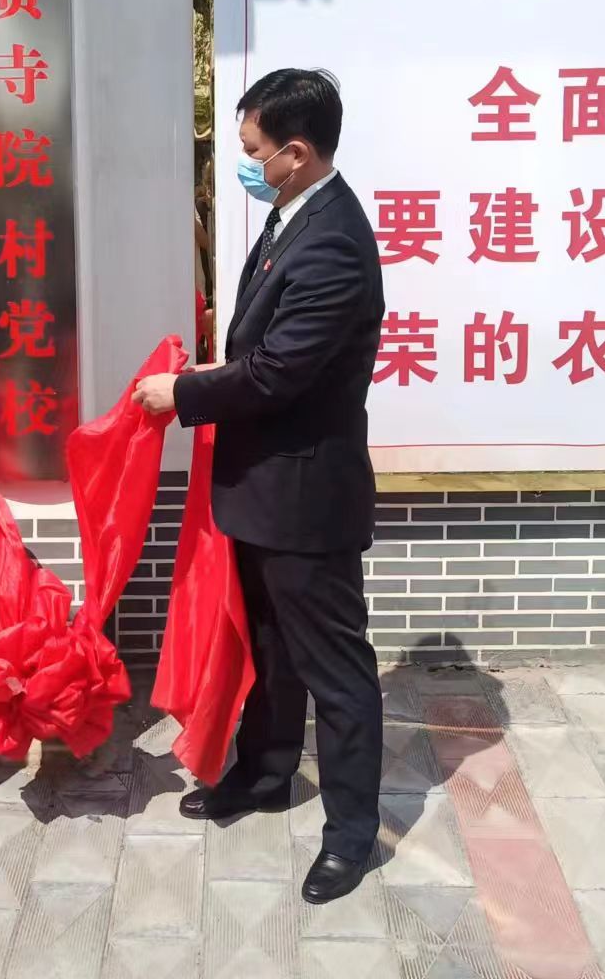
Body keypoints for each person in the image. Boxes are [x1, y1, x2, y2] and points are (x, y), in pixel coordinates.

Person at [133, 68, 385, 906]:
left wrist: (186, 393)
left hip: (305, 498)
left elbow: (279, 373)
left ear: (297, 152)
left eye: (252, 150)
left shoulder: (333, 241)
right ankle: (267, 773)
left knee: (335, 671)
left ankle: (351, 836)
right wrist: (213, 367)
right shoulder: (293, 216)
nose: (246, 163)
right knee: (272, 651)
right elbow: (261, 346)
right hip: (263, 489)